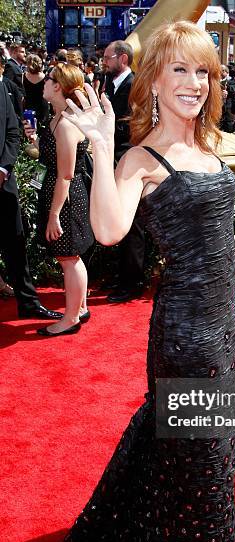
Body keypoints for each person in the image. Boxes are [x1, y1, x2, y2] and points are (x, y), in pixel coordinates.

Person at [49, 21, 235, 542]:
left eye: (202, 71)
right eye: (179, 69)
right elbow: (106, 229)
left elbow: (222, 239)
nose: (193, 83)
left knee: (211, 444)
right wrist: (102, 149)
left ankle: (139, 527)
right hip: (184, 334)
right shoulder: (139, 158)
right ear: (152, 79)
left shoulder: (206, 147)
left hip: (225, 328)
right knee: (201, 455)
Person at [23, 63, 94, 336]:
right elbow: (48, 156)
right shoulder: (56, 119)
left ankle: (70, 318)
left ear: (58, 87)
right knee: (71, 257)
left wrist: (54, 215)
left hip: (65, 197)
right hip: (59, 193)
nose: (43, 81)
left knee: (68, 258)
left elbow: (65, 174)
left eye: (48, 78)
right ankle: (81, 307)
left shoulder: (65, 124)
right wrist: (34, 139)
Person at [0, 80, 61, 321]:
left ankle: (28, 303)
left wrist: (4, 168)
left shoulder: (2, 88)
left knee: (15, 244)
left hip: (3, 184)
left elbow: (13, 131)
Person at [103, 40, 146, 304]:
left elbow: (137, 127)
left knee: (133, 225)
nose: (104, 62)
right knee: (117, 220)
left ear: (122, 59)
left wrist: (107, 129)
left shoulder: (135, 86)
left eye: (108, 58)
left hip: (130, 161)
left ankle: (133, 281)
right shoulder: (109, 83)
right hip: (114, 159)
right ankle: (121, 276)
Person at [23, 53, 49, 126]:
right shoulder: (45, 77)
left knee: (30, 128)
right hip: (42, 105)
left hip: (29, 106)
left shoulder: (23, 76)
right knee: (43, 129)